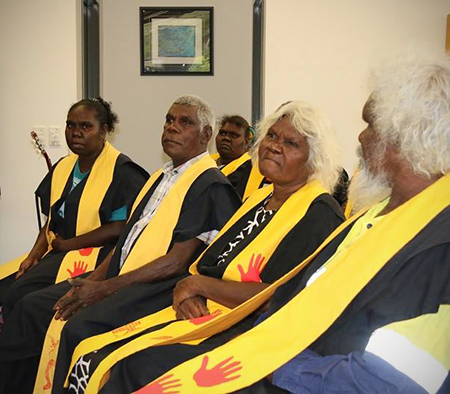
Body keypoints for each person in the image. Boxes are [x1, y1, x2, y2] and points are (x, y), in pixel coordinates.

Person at [132, 55, 450, 394]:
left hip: (301, 374)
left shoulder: (438, 244)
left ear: (404, 137)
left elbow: (389, 382)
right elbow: (296, 296)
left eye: (370, 124)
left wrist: (273, 362)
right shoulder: (377, 214)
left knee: (146, 372)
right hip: (275, 350)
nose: (360, 137)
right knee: (136, 364)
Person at [62, 100, 346, 394]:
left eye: (291, 143)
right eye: (272, 136)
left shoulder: (319, 213)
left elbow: (280, 297)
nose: (274, 146)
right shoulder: (258, 200)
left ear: (313, 160)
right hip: (206, 311)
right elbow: (208, 266)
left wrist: (196, 285)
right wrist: (187, 293)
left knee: (133, 364)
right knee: (97, 350)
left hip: (250, 332)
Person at [0, 95, 242, 394]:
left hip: (155, 288)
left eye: (185, 122)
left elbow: (176, 262)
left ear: (206, 135)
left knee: (74, 326)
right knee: (29, 305)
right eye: (169, 120)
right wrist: (92, 280)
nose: (172, 128)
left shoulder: (210, 185)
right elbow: (125, 240)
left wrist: (102, 289)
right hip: (118, 276)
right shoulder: (161, 176)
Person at [0, 97, 148, 321]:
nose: (76, 133)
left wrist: (68, 245)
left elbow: (119, 228)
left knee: (20, 296)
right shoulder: (64, 166)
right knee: (7, 285)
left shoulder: (123, 172)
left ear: (104, 131)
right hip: (59, 250)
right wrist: (34, 255)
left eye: (86, 126)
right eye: (71, 125)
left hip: (95, 255)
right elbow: (51, 220)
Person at [212, 115, 265, 200]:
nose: (226, 138)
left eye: (233, 135)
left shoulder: (251, 168)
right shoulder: (205, 161)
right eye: (222, 133)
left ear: (247, 142)